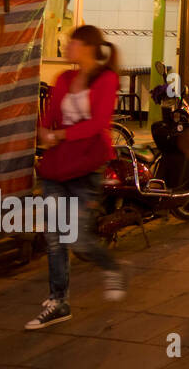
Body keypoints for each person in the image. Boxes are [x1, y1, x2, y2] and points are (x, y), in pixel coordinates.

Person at [27, 26, 126, 329]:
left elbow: (98, 123)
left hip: (87, 166)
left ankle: (113, 267)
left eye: (72, 42)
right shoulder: (64, 78)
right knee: (55, 237)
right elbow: (50, 115)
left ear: (86, 47)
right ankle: (59, 301)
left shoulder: (106, 79)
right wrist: (44, 131)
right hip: (57, 166)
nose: (67, 47)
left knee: (78, 239)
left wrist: (61, 134)